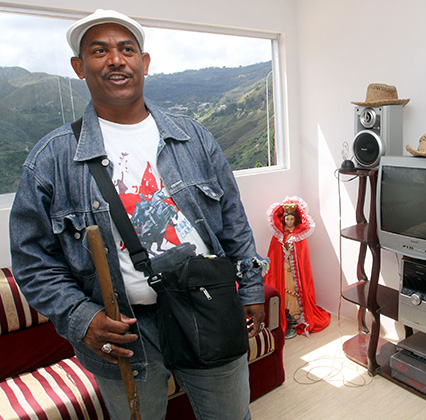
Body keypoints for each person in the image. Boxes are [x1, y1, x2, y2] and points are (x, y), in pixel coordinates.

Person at [9, 9, 267, 420]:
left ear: (143, 63)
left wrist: (251, 288)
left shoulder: (193, 137)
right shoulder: (52, 159)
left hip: (208, 306)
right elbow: (32, 260)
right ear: (79, 67)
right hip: (125, 333)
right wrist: (82, 317)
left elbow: (233, 219)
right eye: (99, 51)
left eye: (127, 49)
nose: (116, 59)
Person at [264, 197, 330, 338]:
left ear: (295, 220)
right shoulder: (279, 235)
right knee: (284, 287)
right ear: (284, 220)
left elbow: (302, 257)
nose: (289, 222)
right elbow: (274, 254)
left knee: (294, 289)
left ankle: (295, 314)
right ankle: (285, 313)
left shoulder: (299, 236)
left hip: (295, 270)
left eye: (291, 219)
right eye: (287, 219)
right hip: (283, 267)